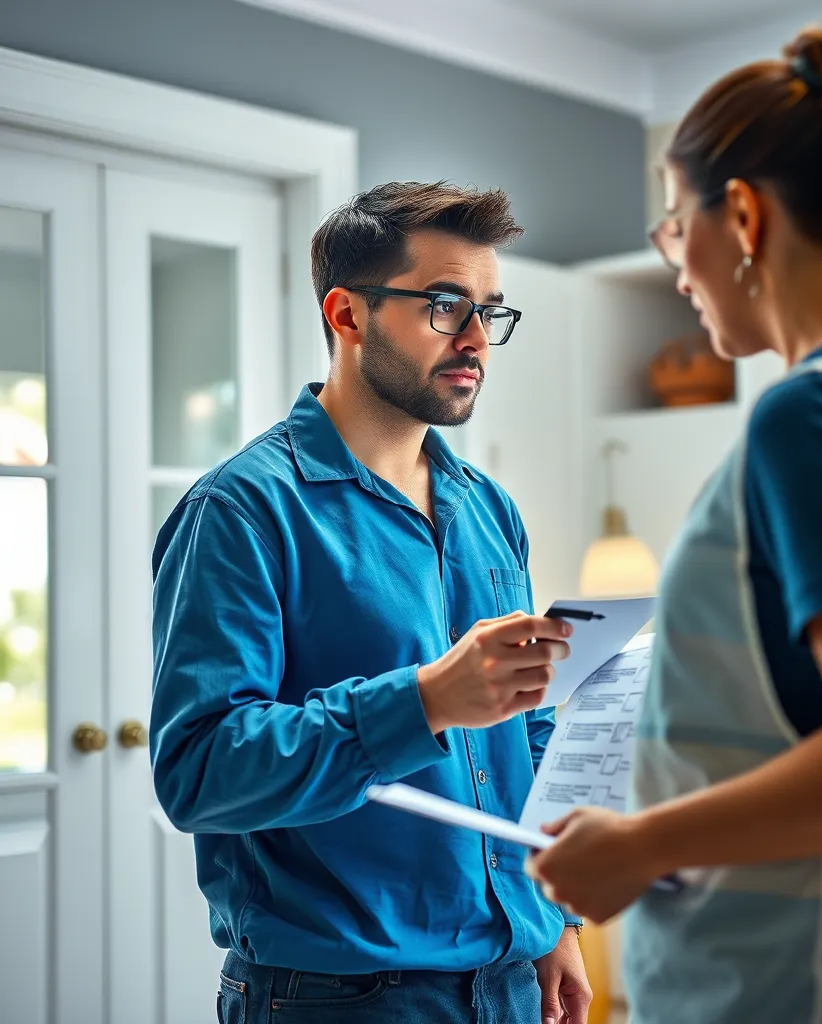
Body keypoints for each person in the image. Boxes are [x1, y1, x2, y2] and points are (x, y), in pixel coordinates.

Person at [528, 22, 822, 1024]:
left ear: (742, 215)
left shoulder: (818, 414)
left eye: (676, 226)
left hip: (803, 984)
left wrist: (645, 840)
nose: (677, 265)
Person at [149, 181, 591, 1024]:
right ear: (347, 316)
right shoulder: (240, 512)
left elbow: (527, 730)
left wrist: (552, 922)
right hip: (335, 1001)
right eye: (444, 305)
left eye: (489, 312)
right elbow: (199, 771)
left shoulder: (491, 509)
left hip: (506, 984)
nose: (475, 340)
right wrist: (422, 702)